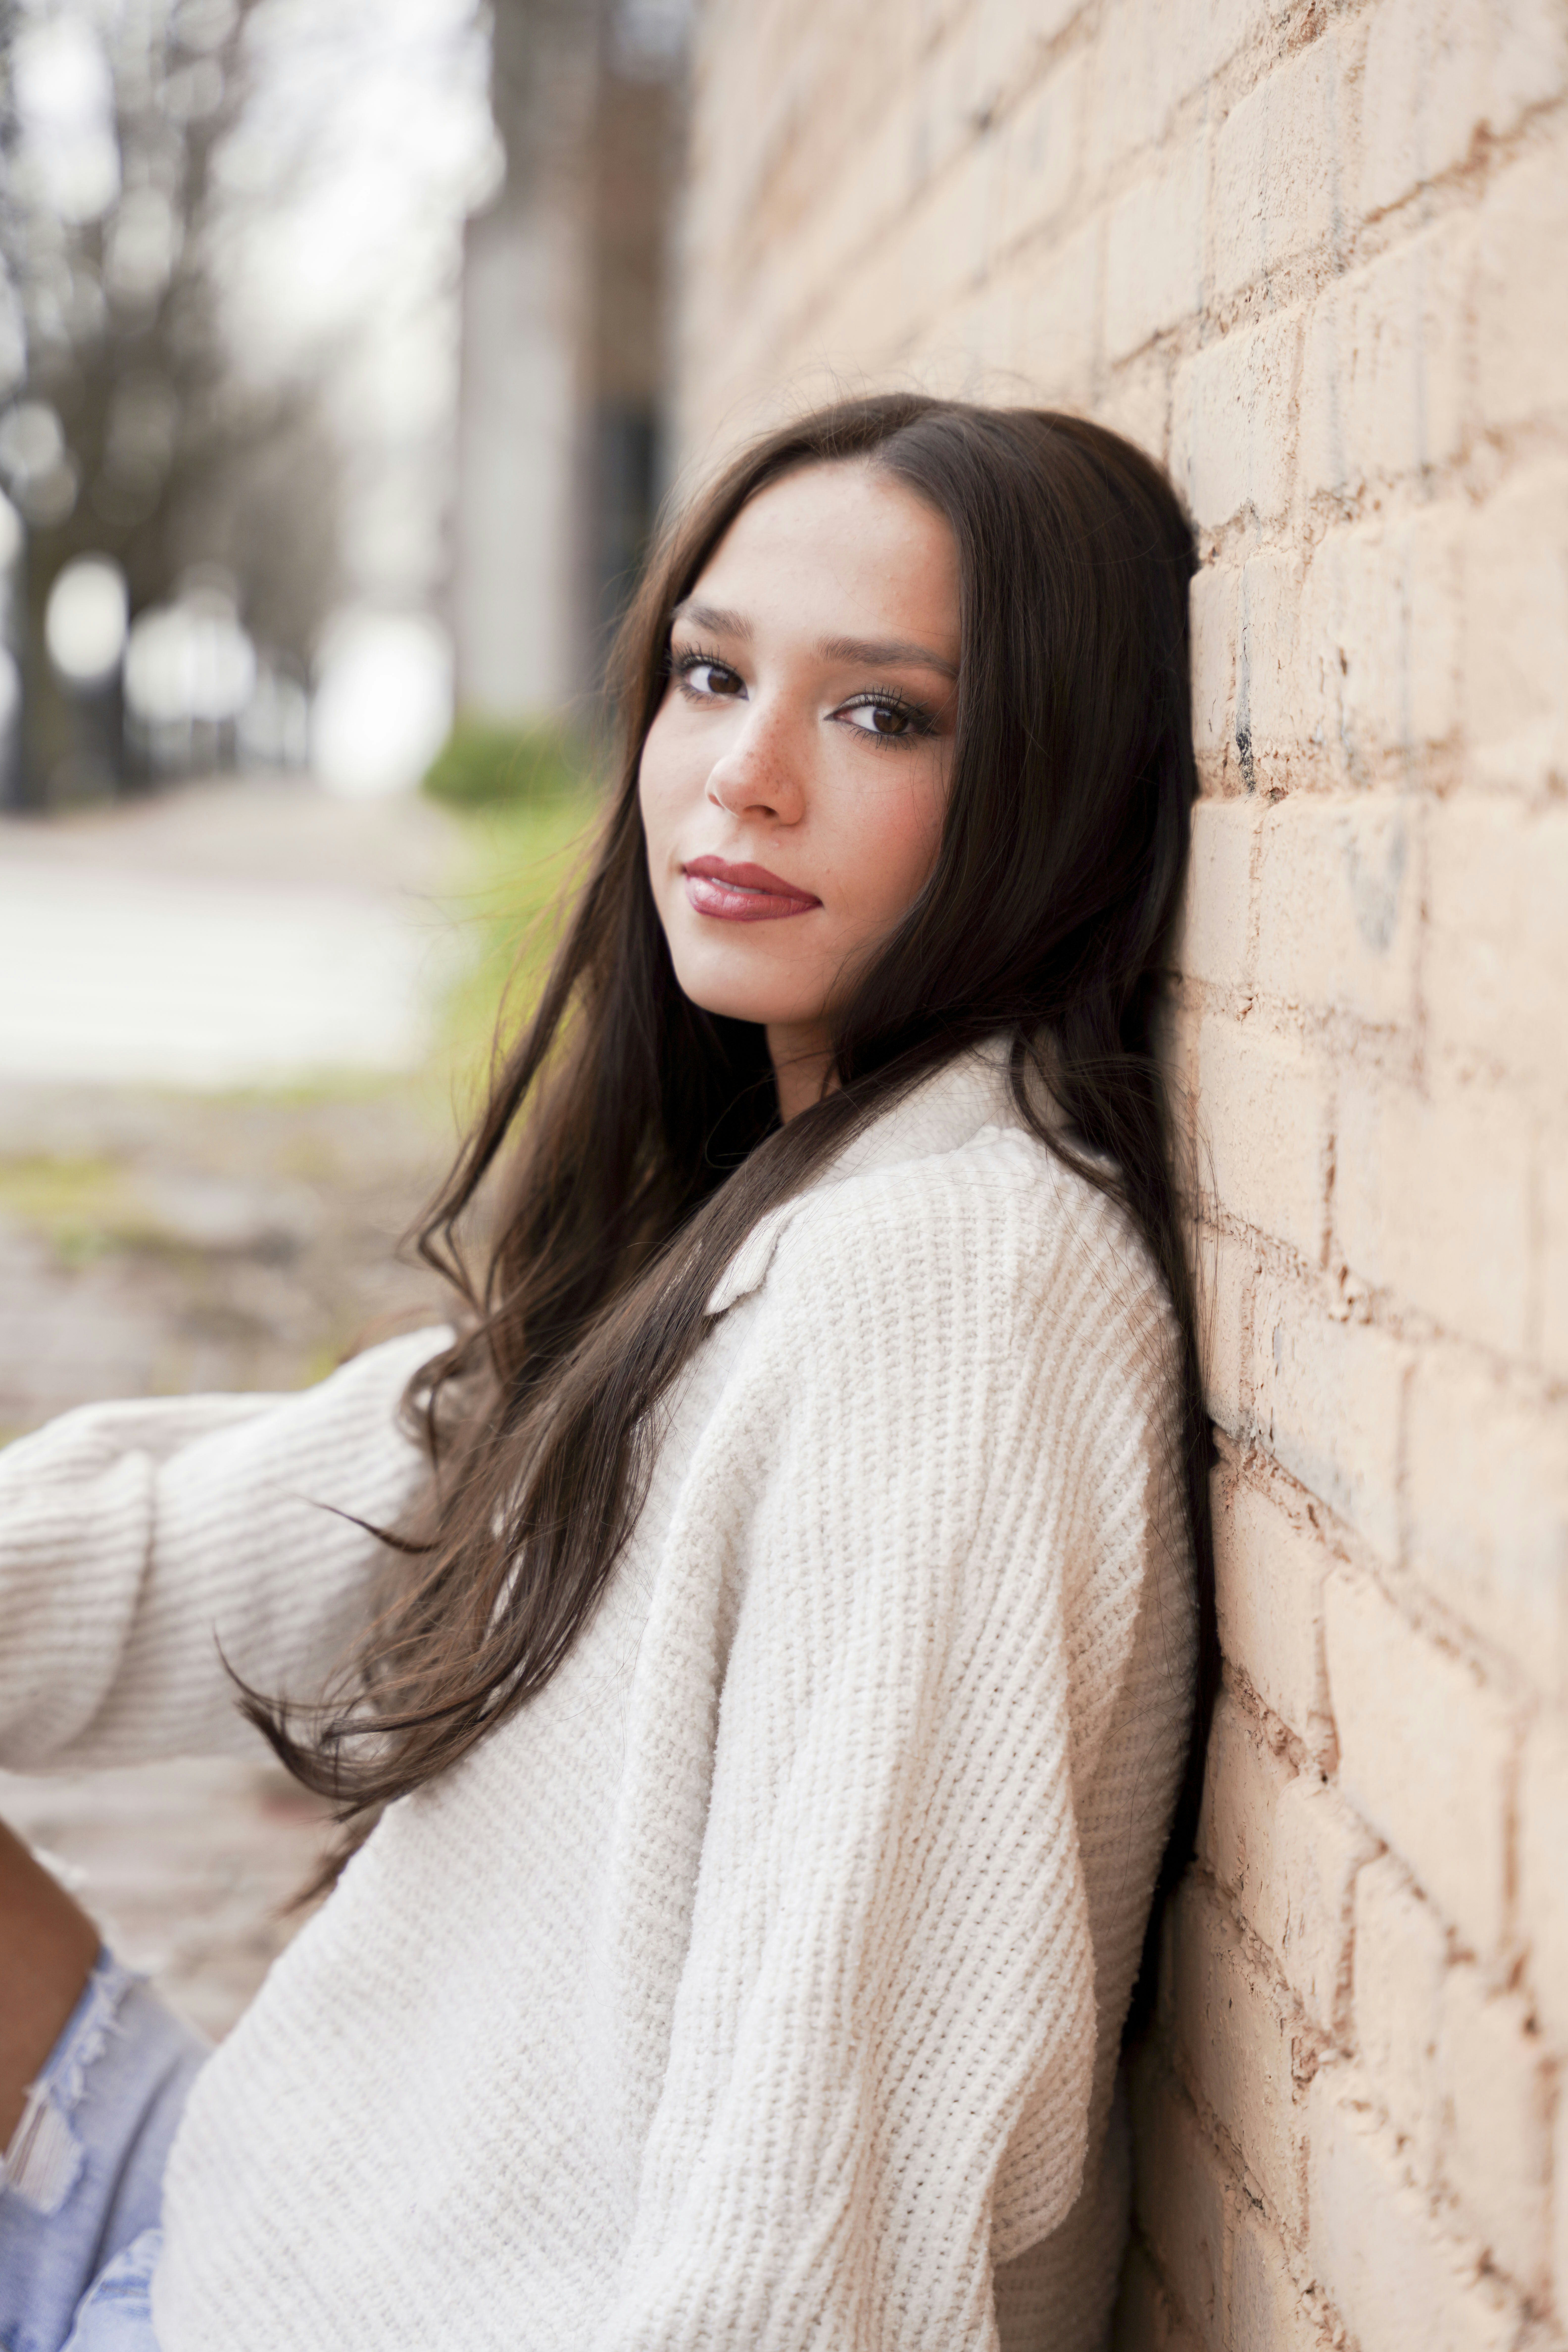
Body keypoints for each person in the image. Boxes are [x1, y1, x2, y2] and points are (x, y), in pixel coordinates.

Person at [0, 392, 1215, 2352]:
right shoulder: (766, 1207)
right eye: (711, 675)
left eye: (883, 713)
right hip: (240, 2233)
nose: (742, 777)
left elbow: (823, 2207)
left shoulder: (953, 1293)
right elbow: (193, 1552)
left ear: (1052, 788)